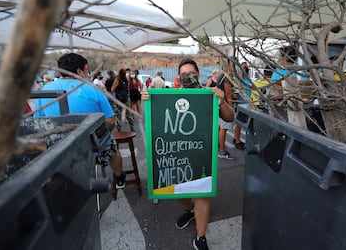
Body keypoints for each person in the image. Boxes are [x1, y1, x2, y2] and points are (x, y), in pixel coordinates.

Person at [142, 58, 234, 250]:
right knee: (177, 189)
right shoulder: (170, 96)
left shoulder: (208, 95)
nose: (186, 77)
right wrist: (148, 98)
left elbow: (230, 117)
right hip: (178, 155)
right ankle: (189, 210)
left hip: (202, 154)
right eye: (183, 74)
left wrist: (222, 100)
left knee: (202, 194)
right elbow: (155, 118)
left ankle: (201, 237)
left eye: (190, 73)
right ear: (178, 77)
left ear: (198, 74)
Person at [34, 53, 126, 189]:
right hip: (93, 147)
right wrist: (104, 132)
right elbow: (111, 121)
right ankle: (119, 177)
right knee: (113, 149)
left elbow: (38, 122)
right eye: (87, 69)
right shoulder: (93, 90)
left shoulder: (45, 91)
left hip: (57, 150)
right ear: (79, 71)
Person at [233, 62, 250, 150]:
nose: (244, 70)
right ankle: (237, 141)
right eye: (243, 68)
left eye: (246, 68)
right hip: (241, 105)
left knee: (247, 124)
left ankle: (238, 139)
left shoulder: (248, 80)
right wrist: (237, 104)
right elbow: (235, 94)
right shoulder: (237, 80)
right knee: (239, 124)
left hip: (248, 104)